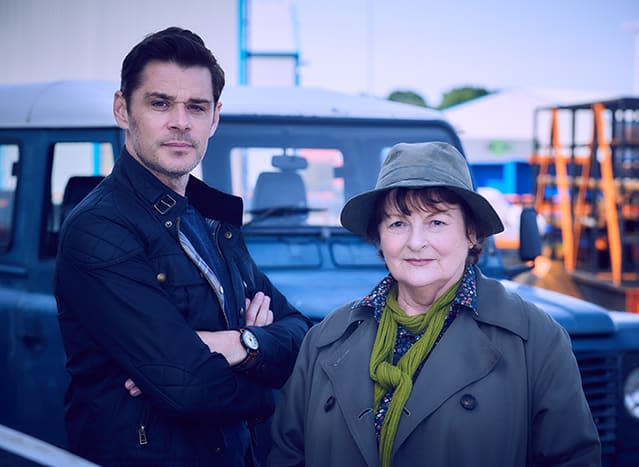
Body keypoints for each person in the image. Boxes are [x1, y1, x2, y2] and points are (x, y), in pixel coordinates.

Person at [55, 27, 311, 467]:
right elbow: (187, 386)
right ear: (123, 109)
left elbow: (299, 332)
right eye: (160, 104)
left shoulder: (211, 217)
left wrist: (237, 344)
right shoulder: (99, 228)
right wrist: (268, 376)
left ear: (215, 118)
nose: (180, 121)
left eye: (196, 107)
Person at [267, 141, 601, 467]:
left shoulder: (533, 338)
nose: (415, 242)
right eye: (398, 223)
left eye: (437, 222)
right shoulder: (326, 339)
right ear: (379, 237)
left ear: (471, 232)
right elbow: (287, 454)